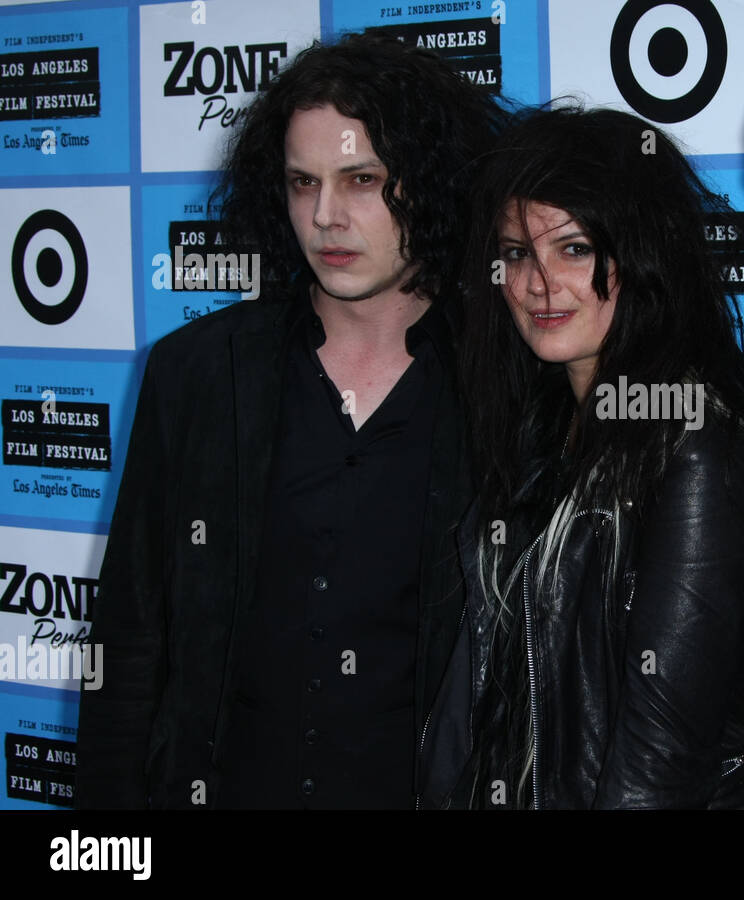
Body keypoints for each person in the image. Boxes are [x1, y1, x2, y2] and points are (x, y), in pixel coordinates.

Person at [75, 33, 504, 808]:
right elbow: (130, 641)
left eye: (362, 180)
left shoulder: (501, 384)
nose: (327, 216)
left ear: (433, 184)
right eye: (303, 182)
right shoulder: (198, 373)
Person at [419, 106, 744, 809]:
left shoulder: (695, 447)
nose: (540, 284)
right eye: (517, 253)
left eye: (574, 248)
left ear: (642, 257)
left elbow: (660, 755)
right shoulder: (537, 431)